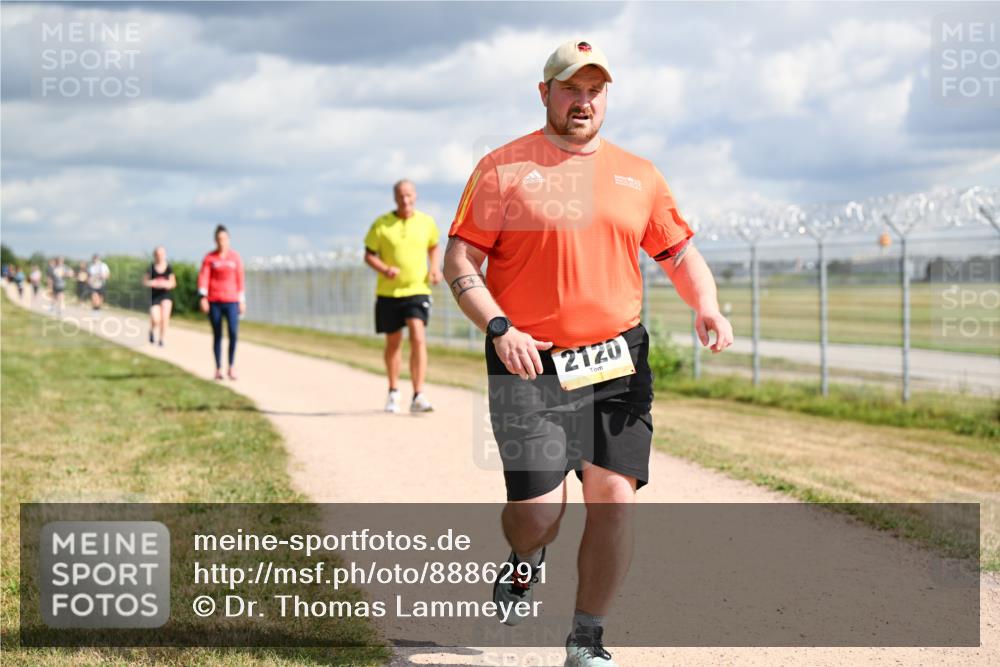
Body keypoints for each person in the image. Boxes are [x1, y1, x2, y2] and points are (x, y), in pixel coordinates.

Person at [444, 40, 734, 667]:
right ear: (544, 93)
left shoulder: (639, 174)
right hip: (529, 361)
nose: (583, 102)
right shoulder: (502, 168)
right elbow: (460, 260)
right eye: (571, 89)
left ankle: (586, 638)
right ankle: (525, 561)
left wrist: (705, 302)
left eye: (595, 90)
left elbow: (678, 254)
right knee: (538, 515)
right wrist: (499, 326)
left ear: (607, 97)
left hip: (615, 359)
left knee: (614, 496)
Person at [363, 179, 442, 413]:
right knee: (393, 343)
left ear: (415, 196)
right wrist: (384, 269)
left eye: (409, 195)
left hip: (418, 289)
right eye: (400, 196)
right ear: (394, 198)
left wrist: (435, 267)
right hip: (389, 292)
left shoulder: (426, 222)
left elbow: (434, 246)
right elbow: (368, 255)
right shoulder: (382, 224)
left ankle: (418, 395)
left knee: (418, 335)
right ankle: (393, 391)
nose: (405, 200)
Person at [198, 225, 245, 380]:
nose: (222, 242)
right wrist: (203, 297)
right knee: (217, 334)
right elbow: (204, 277)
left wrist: (242, 300)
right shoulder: (210, 258)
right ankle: (218, 368)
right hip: (215, 301)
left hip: (232, 301)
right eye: (219, 239)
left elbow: (240, 279)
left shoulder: (235, 257)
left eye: (224, 239)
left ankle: (231, 366)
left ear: (229, 240)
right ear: (215, 240)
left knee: (233, 332)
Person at [144, 246, 176, 346]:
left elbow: (173, 283)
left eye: (162, 254)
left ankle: (162, 339)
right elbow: (145, 282)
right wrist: (153, 282)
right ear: (154, 256)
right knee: (156, 319)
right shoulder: (151, 268)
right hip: (154, 296)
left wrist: (165, 284)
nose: (160, 256)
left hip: (165, 295)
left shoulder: (169, 268)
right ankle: (152, 330)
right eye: (158, 254)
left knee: (165, 318)